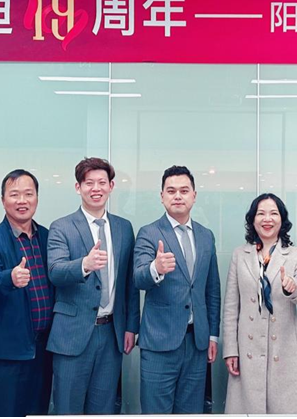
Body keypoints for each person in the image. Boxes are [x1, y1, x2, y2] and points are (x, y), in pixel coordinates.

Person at [47, 158, 140, 414]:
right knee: (67, 408)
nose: (96, 188)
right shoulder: (62, 227)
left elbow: (129, 284)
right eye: (89, 183)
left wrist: (131, 326)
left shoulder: (124, 228)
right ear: (78, 187)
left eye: (102, 182)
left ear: (111, 186)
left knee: (103, 409)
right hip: (72, 334)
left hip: (111, 333)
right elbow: (55, 271)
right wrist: (84, 265)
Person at [133, 165, 221, 414]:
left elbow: (212, 290)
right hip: (159, 342)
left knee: (191, 412)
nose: (178, 196)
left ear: (194, 195)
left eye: (184, 190)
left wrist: (212, 335)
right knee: (156, 412)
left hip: (196, 342)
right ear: (162, 196)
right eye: (171, 191)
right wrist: (156, 268)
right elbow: (138, 278)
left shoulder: (206, 235)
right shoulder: (149, 233)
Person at [222, 193, 297, 414]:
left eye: (274, 213)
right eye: (261, 213)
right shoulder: (240, 255)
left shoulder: (296, 255)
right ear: (252, 219)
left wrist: (292, 287)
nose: (267, 219)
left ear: (282, 219)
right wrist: (231, 350)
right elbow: (231, 307)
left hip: (285, 350)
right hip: (248, 350)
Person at [0, 169, 53, 417]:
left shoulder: (47, 237)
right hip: (8, 353)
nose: (22, 201)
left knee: (38, 412)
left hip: (43, 349)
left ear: (37, 198)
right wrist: (10, 278)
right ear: (3, 200)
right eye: (14, 194)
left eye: (28, 194)